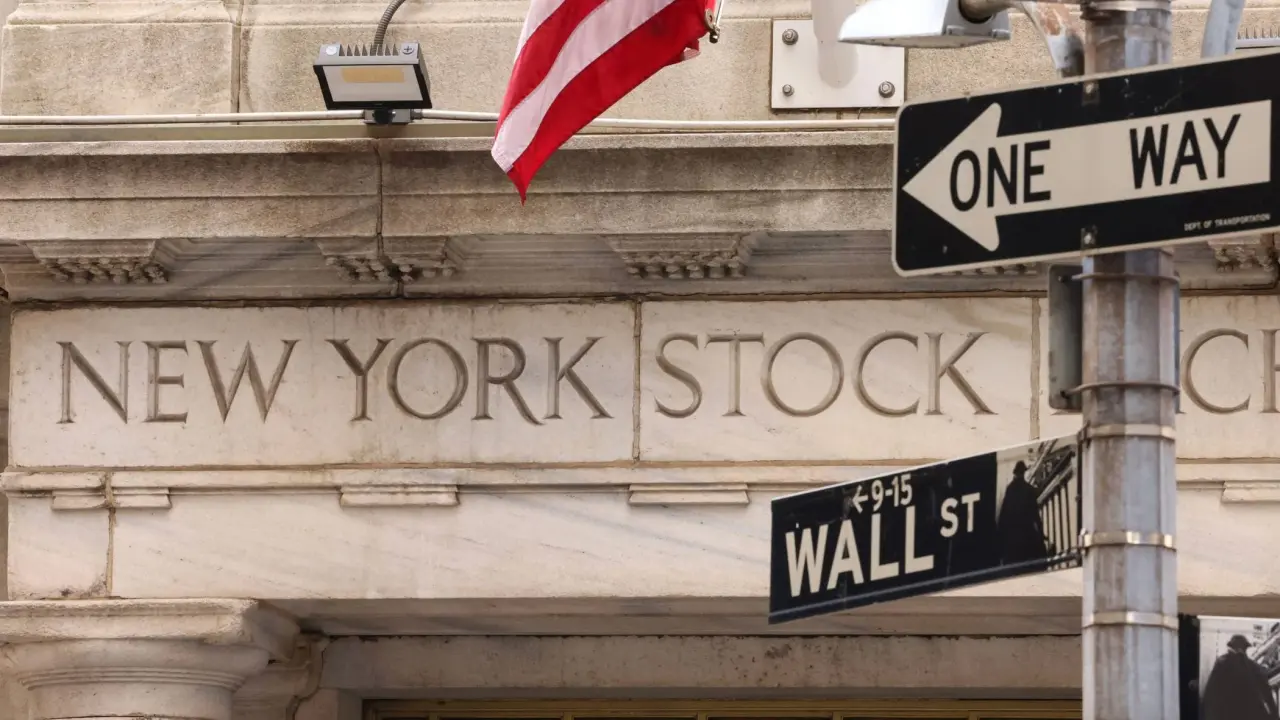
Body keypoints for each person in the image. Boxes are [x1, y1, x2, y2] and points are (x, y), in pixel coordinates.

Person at [1201, 634, 1280, 720]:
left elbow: (1211, 694)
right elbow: (1267, 695)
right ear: (1245, 648)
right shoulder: (1253, 667)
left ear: (1231, 647)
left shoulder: (1222, 663)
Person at [996, 460, 1048, 564]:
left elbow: (1003, 515)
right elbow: (1035, 515)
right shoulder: (1029, 489)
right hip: (1027, 534)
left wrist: (1000, 539)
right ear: (1023, 473)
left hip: (1012, 537)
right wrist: (1041, 533)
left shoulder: (1010, 489)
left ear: (1015, 473)